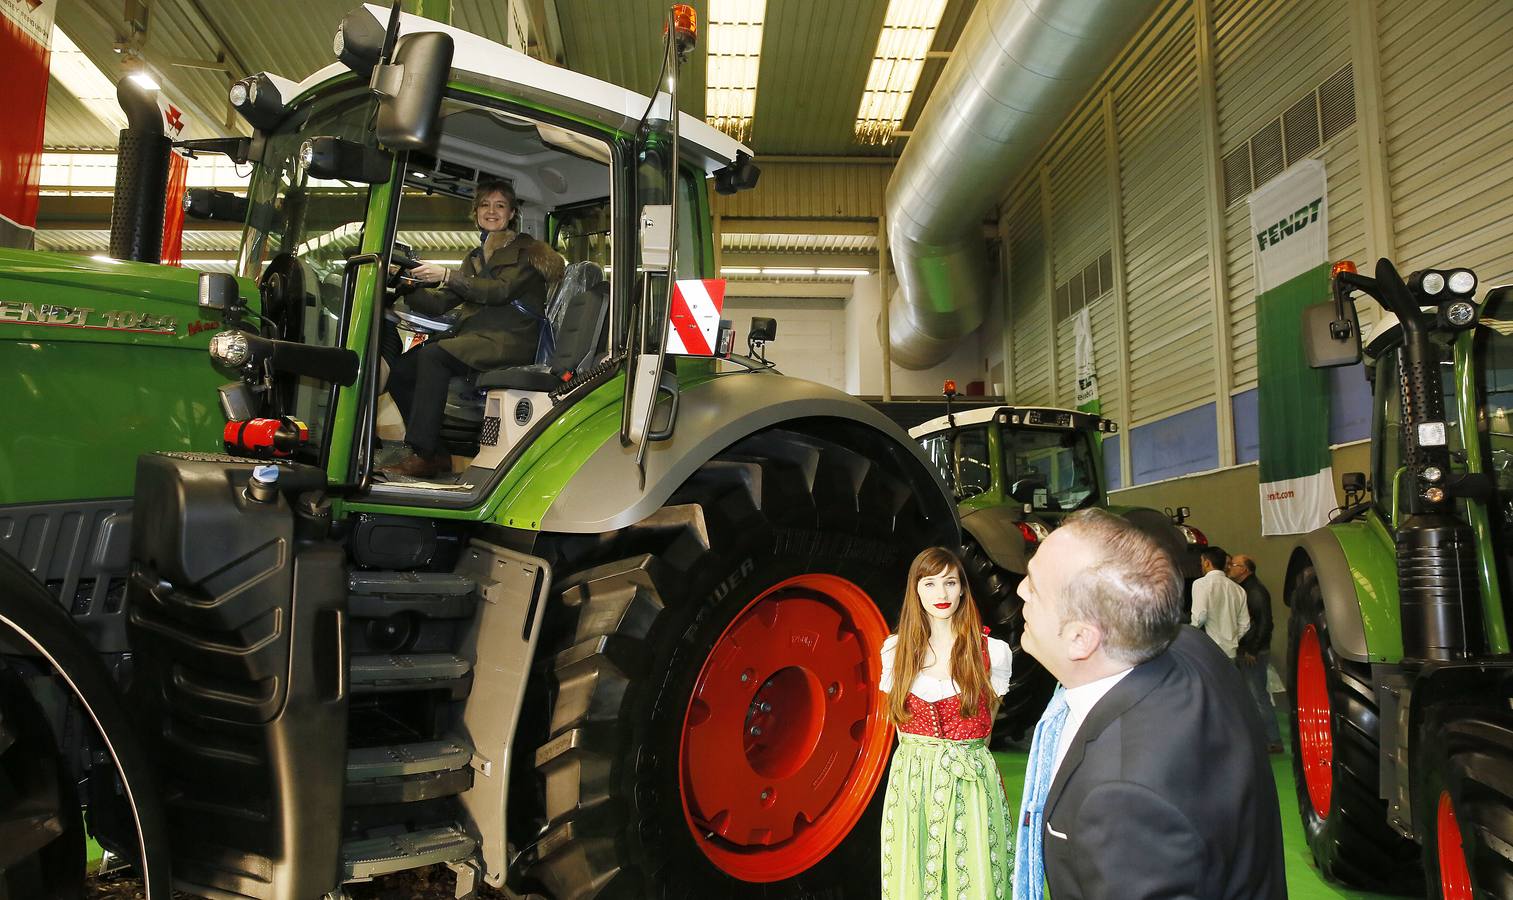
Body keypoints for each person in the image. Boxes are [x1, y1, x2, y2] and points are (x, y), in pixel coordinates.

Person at [1011, 509, 1284, 900]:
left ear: (1081, 639)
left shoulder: (1121, 799)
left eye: (1035, 587)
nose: (1021, 590)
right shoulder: (1192, 646)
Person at [380, 179, 564, 478]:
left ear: (512, 214)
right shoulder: (475, 258)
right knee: (401, 370)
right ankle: (437, 454)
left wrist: (447, 275)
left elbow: (500, 291)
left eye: (500, 206)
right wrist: (406, 283)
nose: (491, 211)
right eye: (485, 205)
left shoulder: (529, 252)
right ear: (476, 211)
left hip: (509, 340)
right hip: (476, 339)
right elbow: (440, 303)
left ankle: (423, 454)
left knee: (433, 356)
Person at [879, 546, 1014, 900]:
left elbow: (986, 730)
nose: (941, 593)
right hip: (911, 782)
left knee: (973, 874)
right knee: (911, 874)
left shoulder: (992, 652)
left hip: (970, 780)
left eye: (950, 582)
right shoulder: (894, 651)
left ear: (963, 588)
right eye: (930, 583)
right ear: (915, 590)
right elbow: (899, 729)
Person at [1229, 554, 1283, 752]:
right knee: (1253, 696)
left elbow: (1265, 623)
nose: (1230, 567)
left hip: (1253, 652)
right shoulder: (1246, 589)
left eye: (1234, 564)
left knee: (1258, 696)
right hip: (1250, 649)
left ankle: (1273, 741)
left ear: (1245, 569)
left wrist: (1253, 649)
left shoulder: (1255, 591)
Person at [1189, 546, 1250, 659]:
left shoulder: (1200, 584)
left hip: (1209, 652)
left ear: (1207, 563)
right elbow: (1245, 624)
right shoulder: (1239, 589)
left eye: (1202, 561)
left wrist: (1189, 632)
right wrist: (1231, 640)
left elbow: (1200, 617)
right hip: (1231, 652)